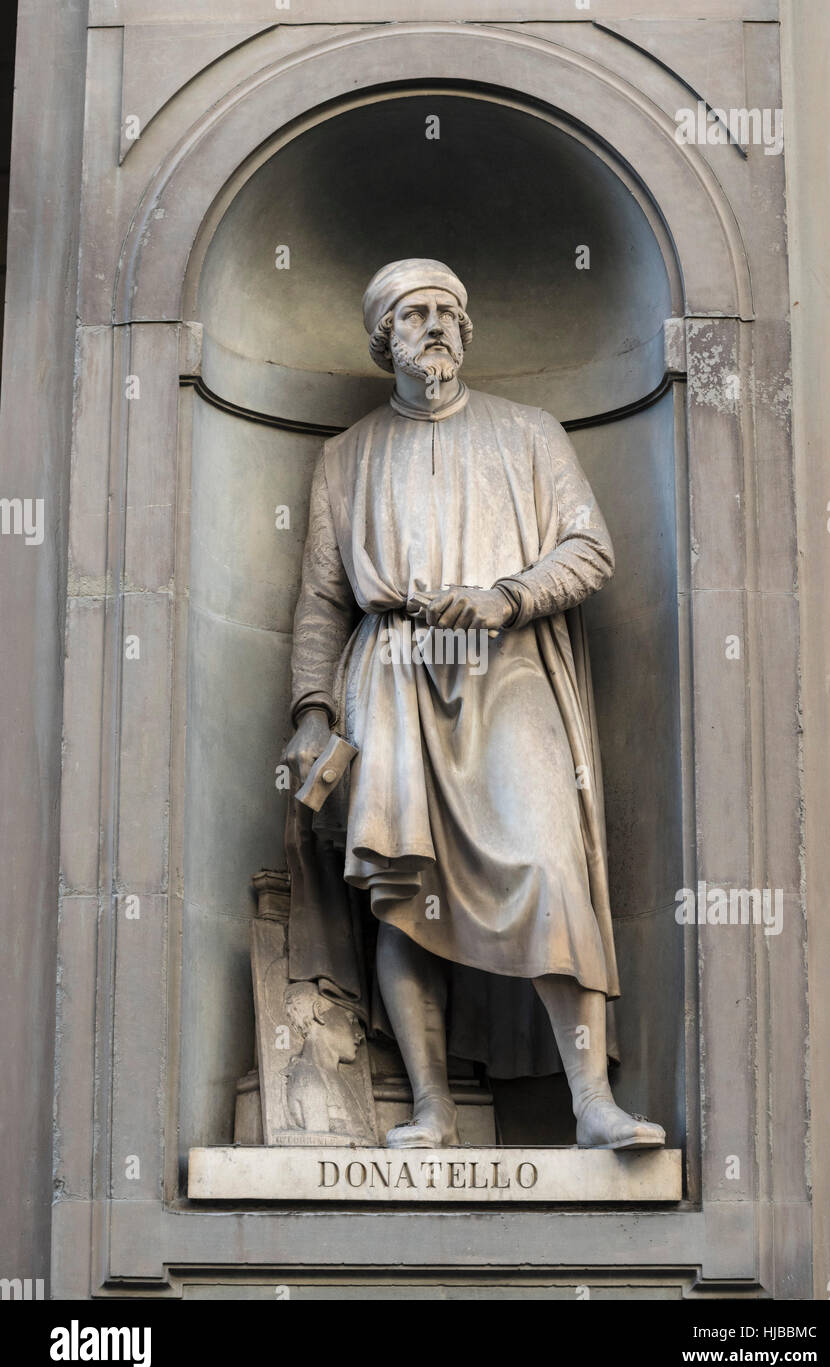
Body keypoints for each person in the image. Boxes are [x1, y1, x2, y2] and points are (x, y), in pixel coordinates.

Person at [284, 258, 665, 1151]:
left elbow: (589, 550)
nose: (436, 326)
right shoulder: (345, 457)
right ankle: (430, 1110)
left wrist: (506, 594)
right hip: (391, 671)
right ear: (385, 338)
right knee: (400, 885)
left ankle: (589, 1102)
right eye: (415, 314)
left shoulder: (528, 433)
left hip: (505, 665)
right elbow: (318, 601)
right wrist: (309, 711)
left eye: (450, 312)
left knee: (549, 865)